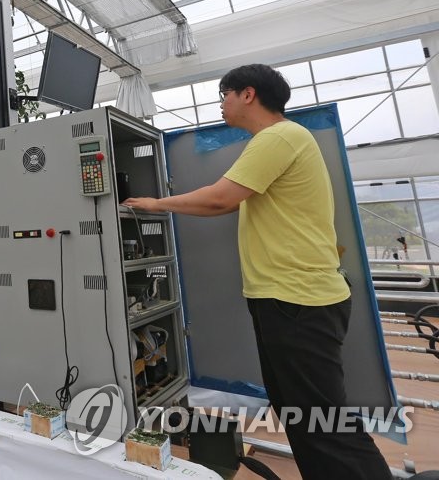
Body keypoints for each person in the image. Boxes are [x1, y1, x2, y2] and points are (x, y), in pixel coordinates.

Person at [123, 64, 390, 480]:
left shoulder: (279, 136)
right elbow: (231, 201)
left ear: (248, 94)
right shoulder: (280, 139)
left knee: (323, 421)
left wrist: (154, 205)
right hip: (287, 299)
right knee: (301, 413)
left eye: (225, 95)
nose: (222, 104)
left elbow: (221, 199)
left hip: (297, 299)